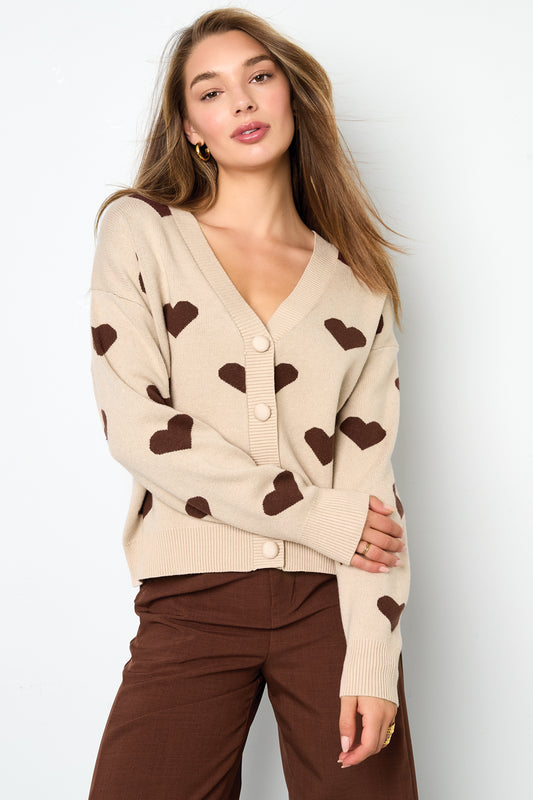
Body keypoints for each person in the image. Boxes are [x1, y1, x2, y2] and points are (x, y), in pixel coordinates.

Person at [87, 7, 418, 799]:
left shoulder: (357, 281)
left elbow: (369, 489)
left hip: (330, 609)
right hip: (190, 601)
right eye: (210, 91)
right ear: (191, 129)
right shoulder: (141, 233)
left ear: (291, 96)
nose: (240, 100)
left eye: (258, 77)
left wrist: (373, 658)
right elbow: (139, 428)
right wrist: (317, 516)